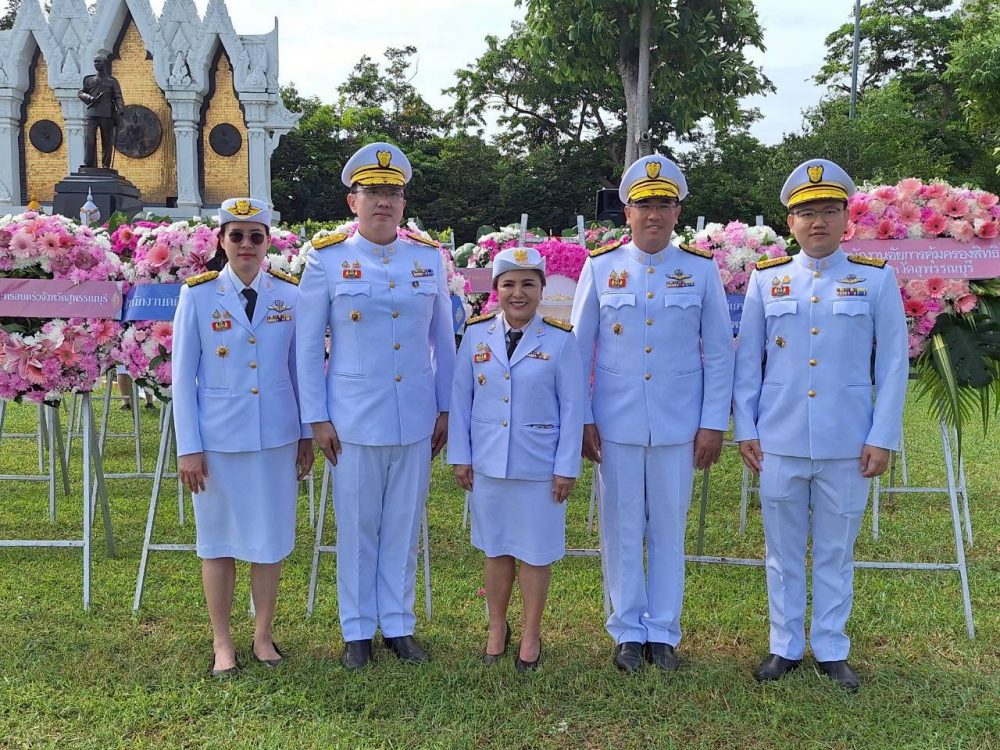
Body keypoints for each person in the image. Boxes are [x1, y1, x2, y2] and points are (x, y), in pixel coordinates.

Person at [733, 159, 908, 691]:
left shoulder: (875, 279)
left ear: (846, 219)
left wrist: (882, 436)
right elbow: (748, 362)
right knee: (782, 552)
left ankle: (831, 646)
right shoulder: (767, 280)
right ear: (790, 222)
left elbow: (893, 363)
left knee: (836, 549)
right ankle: (784, 644)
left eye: (829, 211)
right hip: (779, 438)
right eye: (807, 213)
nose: (818, 222)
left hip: (847, 440)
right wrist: (747, 428)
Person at [570, 155, 735, 673]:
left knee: (668, 529)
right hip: (614, 422)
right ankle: (626, 630)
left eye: (664, 204)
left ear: (678, 212)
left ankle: (662, 632)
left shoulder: (700, 270)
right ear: (627, 212)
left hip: (678, 423)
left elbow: (718, 353)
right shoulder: (600, 267)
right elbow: (579, 351)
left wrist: (713, 423)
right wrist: (582, 418)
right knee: (621, 529)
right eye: (644, 204)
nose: (654, 214)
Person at [296, 142, 456, 670]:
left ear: (403, 203)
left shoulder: (426, 258)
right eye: (373, 192)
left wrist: (445, 408)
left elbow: (443, 341)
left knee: (404, 526)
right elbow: (307, 345)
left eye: (393, 192)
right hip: (352, 418)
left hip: (414, 414)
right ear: (353, 201)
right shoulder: (326, 258)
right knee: (358, 527)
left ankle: (399, 625)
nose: (383, 201)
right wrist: (316, 417)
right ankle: (358, 629)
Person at [172, 197, 314, 678]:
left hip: (275, 437)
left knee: (269, 542)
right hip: (217, 442)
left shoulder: (289, 294)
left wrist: (305, 434)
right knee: (217, 543)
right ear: (222, 240)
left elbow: (299, 370)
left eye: (256, 236)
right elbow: (182, 378)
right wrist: (189, 447)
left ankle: (263, 635)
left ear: (268, 242)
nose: (247, 244)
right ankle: (222, 642)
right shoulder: (197, 294)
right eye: (237, 235)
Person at [449, 247, 584, 672]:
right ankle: (496, 628)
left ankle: (530, 633)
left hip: (539, 467)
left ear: (542, 289)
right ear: (497, 290)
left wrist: (566, 468)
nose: (518, 293)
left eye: (528, 283)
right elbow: (461, 399)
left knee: (536, 553)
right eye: (508, 284)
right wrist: (461, 456)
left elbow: (573, 409)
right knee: (496, 550)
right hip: (488, 464)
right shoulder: (476, 334)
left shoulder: (561, 339)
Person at [77, 54, 124, 170]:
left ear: (105, 63)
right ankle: (89, 163)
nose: (96, 64)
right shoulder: (88, 79)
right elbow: (81, 93)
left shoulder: (112, 81)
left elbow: (118, 96)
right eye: (95, 61)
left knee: (107, 141)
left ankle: (106, 165)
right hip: (91, 113)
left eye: (99, 61)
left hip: (106, 114)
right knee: (89, 139)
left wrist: (120, 108)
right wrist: (90, 98)